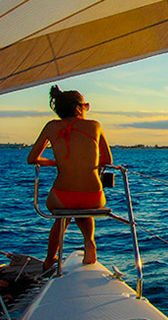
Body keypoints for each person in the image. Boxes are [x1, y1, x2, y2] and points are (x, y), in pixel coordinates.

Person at [27, 85, 112, 269]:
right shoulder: (95, 126)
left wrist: (57, 163)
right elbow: (107, 159)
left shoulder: (51, 127)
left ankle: (50, 260)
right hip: (93, 196)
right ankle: (89, 241)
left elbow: (32, 158)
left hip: (61, 197)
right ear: (78, 108)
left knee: (63, 216)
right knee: (83, 208)